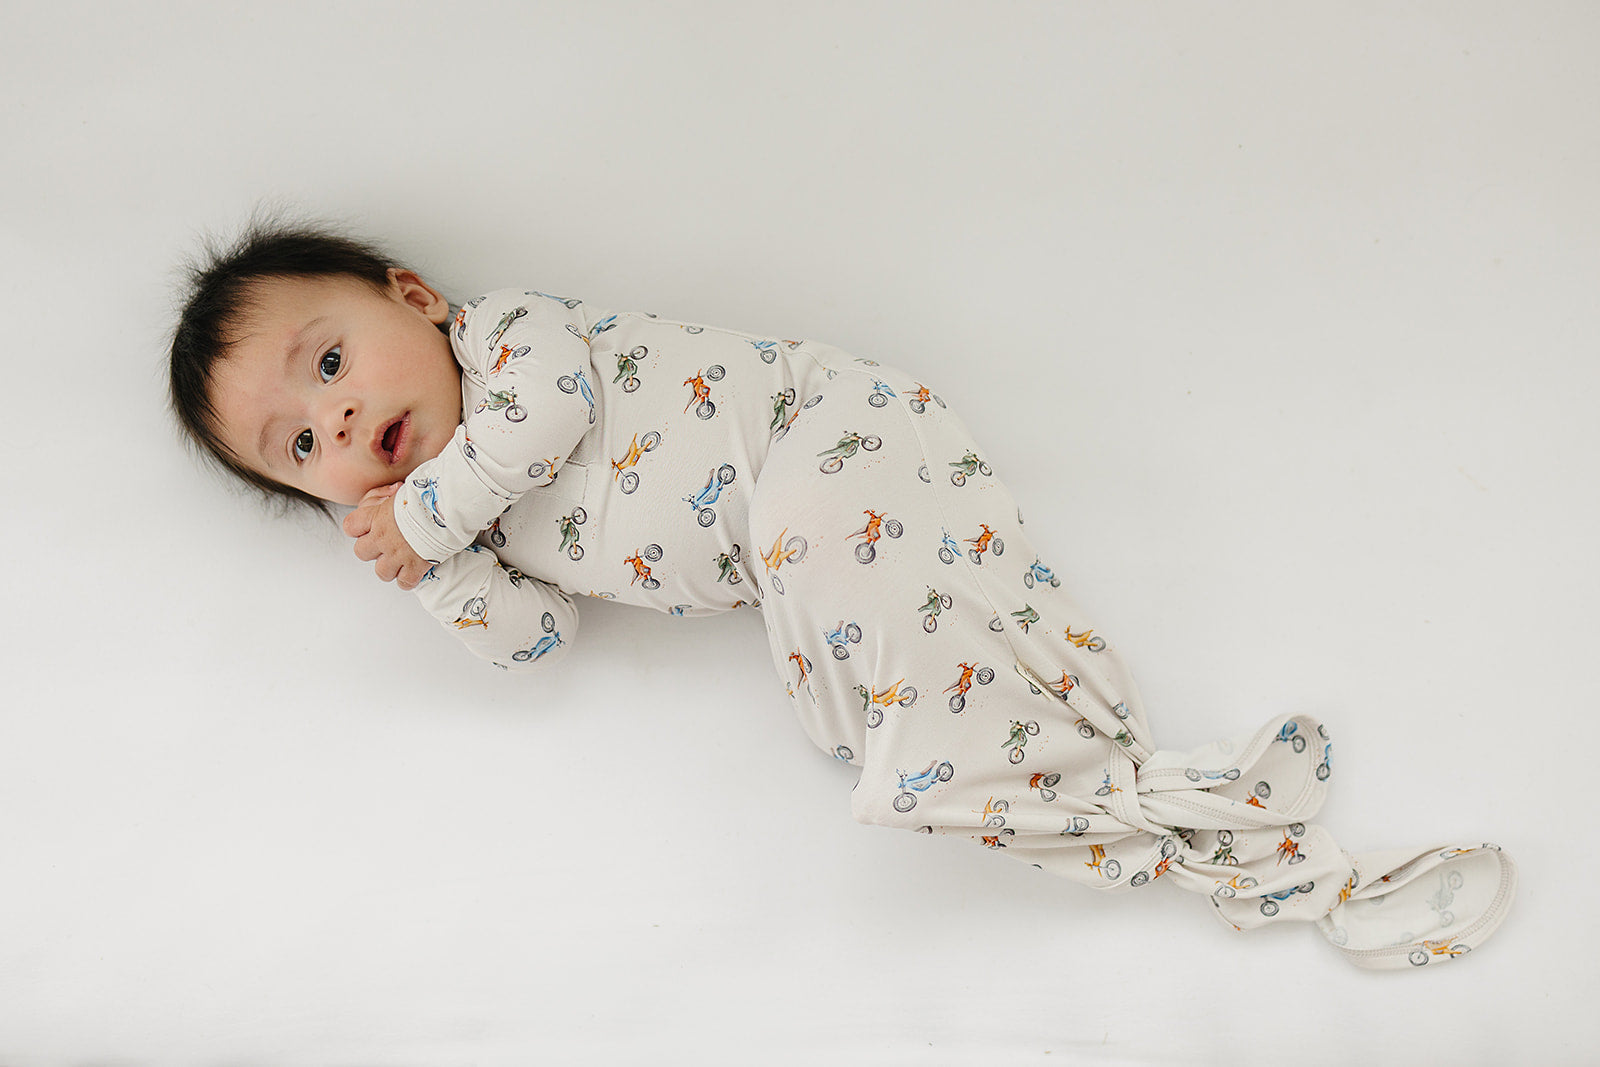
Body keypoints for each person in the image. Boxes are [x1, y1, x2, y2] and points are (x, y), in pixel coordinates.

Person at [169, 221, 1516, 970]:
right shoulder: (473, 526)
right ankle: (1193, 819)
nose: (338, 417)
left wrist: (424, 514)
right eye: (303, 446)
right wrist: (438, 574)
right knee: (908, 725)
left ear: (413, 297)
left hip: (821, 437)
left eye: (330, 361)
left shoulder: (509, 338)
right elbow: (534, 642)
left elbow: (556, 409)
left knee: (916, 742)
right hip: (794, 560)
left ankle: (1206, 834)